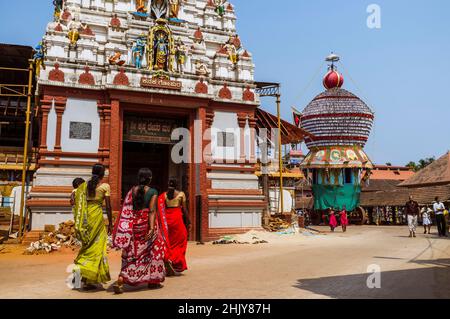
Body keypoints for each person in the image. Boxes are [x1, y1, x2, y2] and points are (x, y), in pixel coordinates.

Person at [112, 168, 169, 294]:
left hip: (133, 226)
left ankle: (121, 279)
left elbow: (127, 209)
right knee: (154, 251)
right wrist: (152, 228)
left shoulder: (132, 191)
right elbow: (152, 211)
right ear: (149, 178)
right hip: (146, 225)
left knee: (132, 253)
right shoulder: (153, 191)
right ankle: (153, 281)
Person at [73, 164, 112, 290]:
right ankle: (88, 280)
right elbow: (109, 207)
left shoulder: (83, 187)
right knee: (96, 247)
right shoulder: (105, 186)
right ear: (103, 174)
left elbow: (75, 202)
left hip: (85, 219)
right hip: (97, 218)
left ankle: (80, 272)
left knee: (86, 246)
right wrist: (110, 223)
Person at [162, 179, 190, 276]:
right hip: (177, 218)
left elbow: (162, 208)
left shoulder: (164, 195)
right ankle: (174, 261)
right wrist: (188, 221)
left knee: (169, 241)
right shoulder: (181, 194)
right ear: (177, 184)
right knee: (181, 240)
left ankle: (169, 258)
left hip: (167, 219)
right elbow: (185, 209)